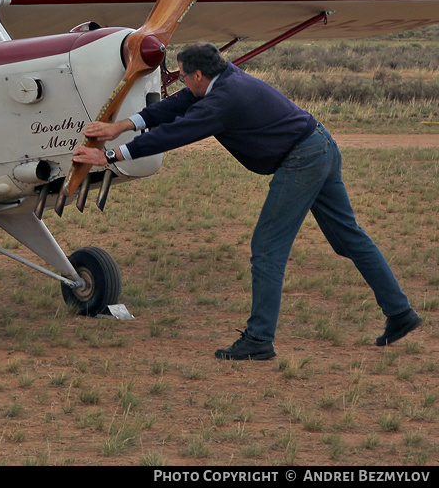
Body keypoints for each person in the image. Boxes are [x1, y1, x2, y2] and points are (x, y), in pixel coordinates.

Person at [73, 42, 421, 360]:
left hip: (302, 159)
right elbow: (180, 103)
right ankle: (400, 313)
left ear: (198, 74)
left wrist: (112, 156)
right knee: (350, 237)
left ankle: (259, 340)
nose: (180, 81)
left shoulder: (223, 101)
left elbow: (175, 133)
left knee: (268, 248)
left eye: (182, 75)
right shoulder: (224, 77)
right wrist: (123, 125)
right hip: (321, 145)